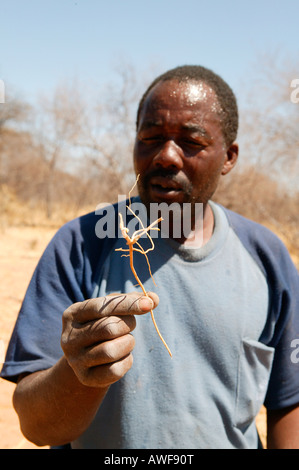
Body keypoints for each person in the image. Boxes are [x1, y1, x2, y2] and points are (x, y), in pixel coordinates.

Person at [1, 65, 299, 449]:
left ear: (229, 157)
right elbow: (35, 427)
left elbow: (288, 401)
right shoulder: (82, 243)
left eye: (191, 141)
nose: (166, 156)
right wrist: (79, 373)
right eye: (151, 137)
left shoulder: (267, 257)